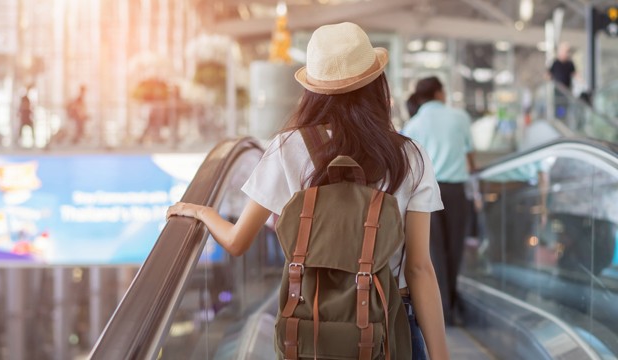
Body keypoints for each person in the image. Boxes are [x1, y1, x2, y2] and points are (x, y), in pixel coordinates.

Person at [167, 22, 449, 359]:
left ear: (313, 90)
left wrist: (201, 211)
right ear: (377, 84)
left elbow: (237, 241)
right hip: (390, 324)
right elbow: (419, 268)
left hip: (311, 326)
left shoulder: (287, 147)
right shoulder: (409, 155)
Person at [401, 76, 476, 326]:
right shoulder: (460, 117)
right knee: (454, 250)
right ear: (439, 93)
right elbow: (469, 156)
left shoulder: (413, 125)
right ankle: (451, 306)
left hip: (425, 194)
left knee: (433, 254)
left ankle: (440, 310)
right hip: (455, 190)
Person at [548, 42, 576, 119]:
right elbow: (549, 74)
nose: (566, 53)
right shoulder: (555, 63)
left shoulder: (570, 64)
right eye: (565, 51)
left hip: (567, 91)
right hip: (558, 91)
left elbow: (575, 74)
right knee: (559, 108)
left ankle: (563, 119)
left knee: (566, 107)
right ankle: (559, 118)